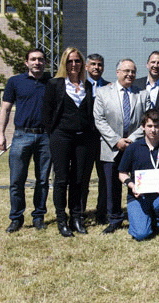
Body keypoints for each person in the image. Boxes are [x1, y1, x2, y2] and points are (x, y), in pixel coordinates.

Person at [43, 47, 97, 237]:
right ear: (65, 63)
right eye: (70, 61)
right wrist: (55, 134)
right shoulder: (55, 84)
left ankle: (76, 217)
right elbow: (47, 114)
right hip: (61, 137)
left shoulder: (87, 86)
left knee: (79, 179)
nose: (74, 65)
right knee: (62, 179)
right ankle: (61, 220)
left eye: (77, 61)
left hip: (83, 138)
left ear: (83, 64)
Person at [0, 48, 51, 233]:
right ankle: (16, 218)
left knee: (43, 180)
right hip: (21, 136)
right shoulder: (15, 82)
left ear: (45, 62)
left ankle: (38, 217)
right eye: (33, 59)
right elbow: (5, 109)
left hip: (45, 137)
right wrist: (0, 134)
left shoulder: (51, 83)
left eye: (41, 59)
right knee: (16, 180)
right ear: (26, 62)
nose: (37, 62)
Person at [94, 58, 149, 234]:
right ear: (117, 72)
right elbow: (99, 120)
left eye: (133, 71)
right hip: (111, 147)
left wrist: (131, 140)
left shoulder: (143, 94)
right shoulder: (103, 92)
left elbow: (147, 121)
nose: (130, 74)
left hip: (135, 147)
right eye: (126, 71)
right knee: (111, 186)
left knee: (137, 183)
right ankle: (115, 219)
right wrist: (116, 140)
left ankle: (141, 215)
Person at [118, 109, 159, 241]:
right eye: (149, 126)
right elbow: (122, 173)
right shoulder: (133, 148)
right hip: (138, 197)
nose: (153, 130)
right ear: (143, 127)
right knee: (141, 235)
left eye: (156, 126)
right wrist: (132, 186)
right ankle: (147, 220)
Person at [86, 53, 112, 224]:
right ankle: (79, 212)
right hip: (85, 140)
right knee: (82, 178)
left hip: (104, 140)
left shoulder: (110, 87)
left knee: (104, 179)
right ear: (87, 67)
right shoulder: (80, 86)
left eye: (100, 65)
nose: (97, 67)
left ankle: (101, 213)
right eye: (93, 64)